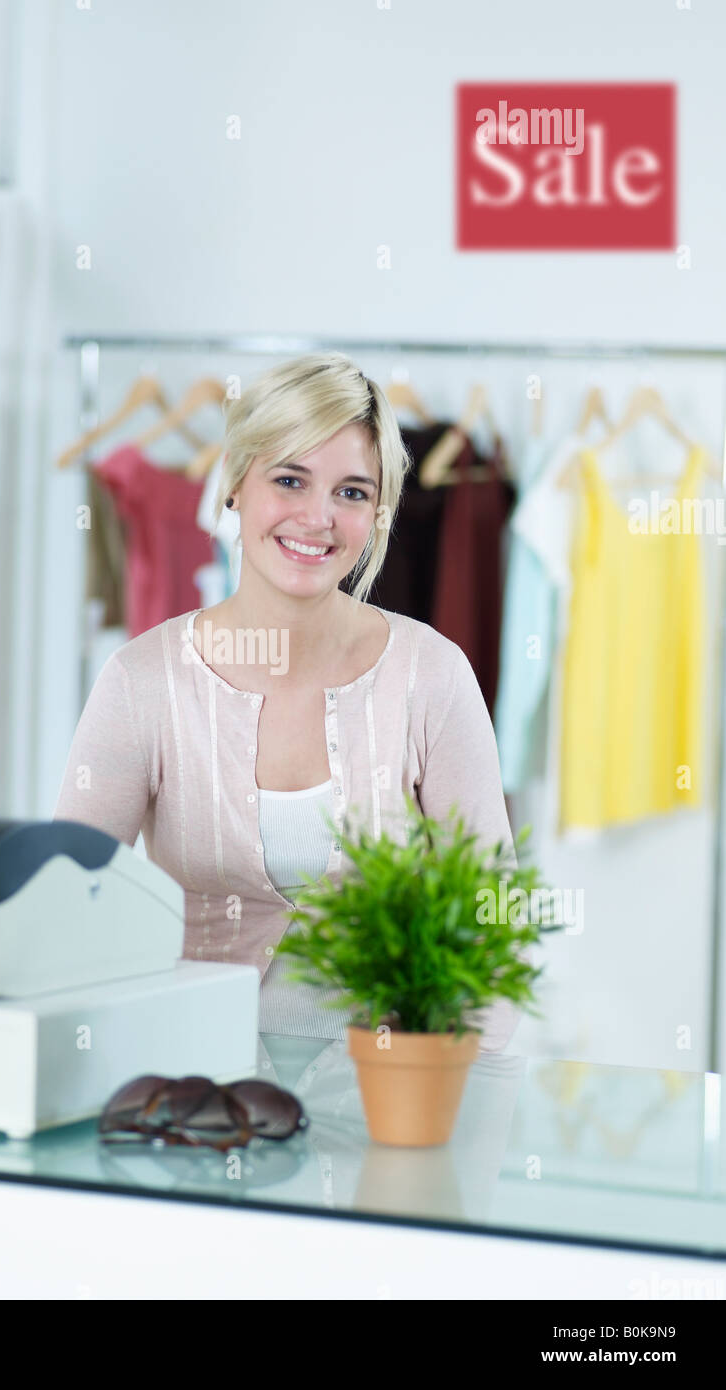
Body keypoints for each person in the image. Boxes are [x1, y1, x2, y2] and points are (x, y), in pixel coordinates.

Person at [54, 352, 522, 1053]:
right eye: (289, 480)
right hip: (192, 1095)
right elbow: (69, 905)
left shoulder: (432, 675)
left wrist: (465, 1097)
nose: (318, 518)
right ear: (234, 486)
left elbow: (493, 913)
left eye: (352, 492)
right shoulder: (141, 681)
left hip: (384, 1098)